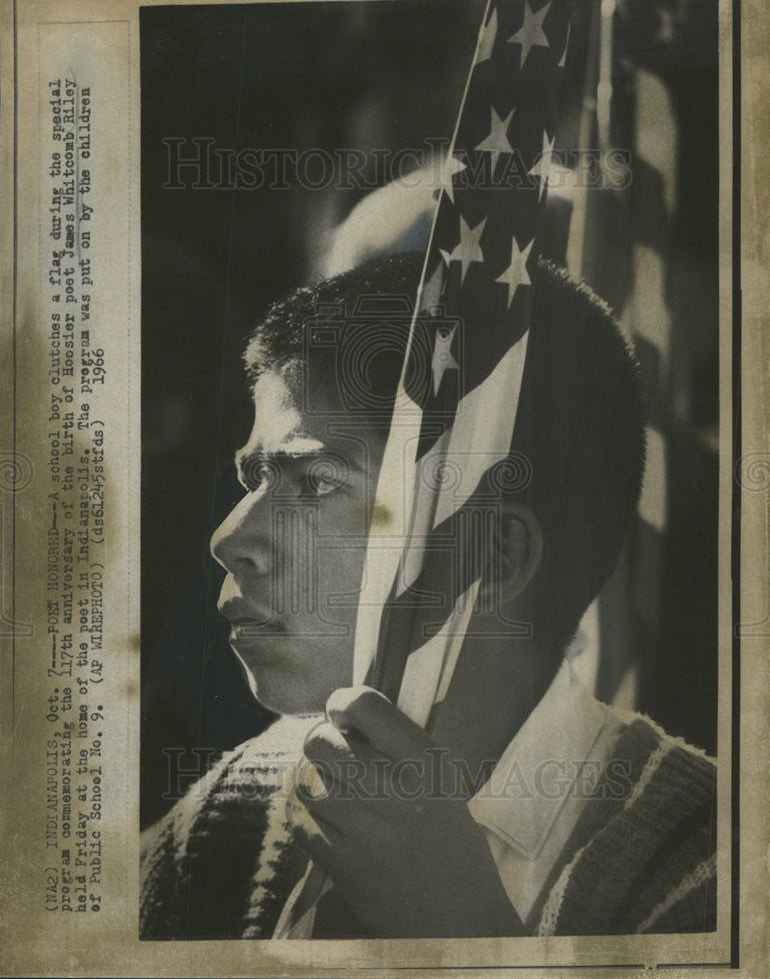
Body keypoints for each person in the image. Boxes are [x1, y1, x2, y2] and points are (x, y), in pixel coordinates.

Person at [139, 252, 716, 939]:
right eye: (254, 479)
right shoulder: (230, 817)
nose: (231, 537)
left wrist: (463, 930)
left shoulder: (706, 868)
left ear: (492, 553)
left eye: (315, 483)